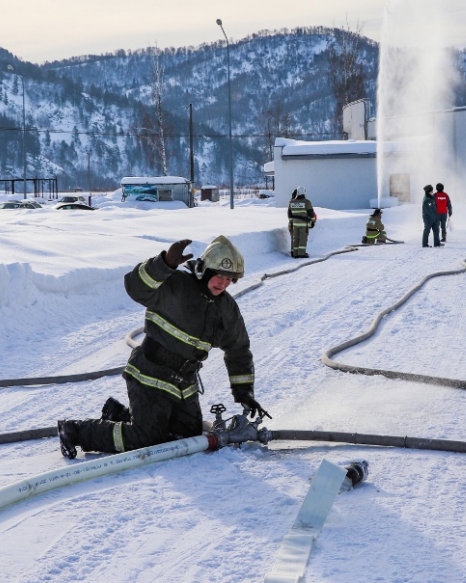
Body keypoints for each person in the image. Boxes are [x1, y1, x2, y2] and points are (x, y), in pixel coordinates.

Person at [57, 236, 269, 459]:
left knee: (188, 436)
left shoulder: (227, 309)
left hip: (183, 382)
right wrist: (164, 264)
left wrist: (244, 393)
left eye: (229, 279)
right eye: (219, 275)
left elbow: (239, 350)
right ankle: (76, 430)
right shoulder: (175, 284)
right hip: (150, 372)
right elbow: (135, 286)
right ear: (204, 270)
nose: (223, 283)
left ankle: (119, 414)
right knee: (147, 438)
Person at [288, 186, 317, 258]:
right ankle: (301, 253)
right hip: (304, 223)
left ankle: (295, 253)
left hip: (295, 223)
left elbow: (289, 214)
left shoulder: (291, 202)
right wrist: (313, 221)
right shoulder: (307, 202)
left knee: (295, 238)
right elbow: (311, 213)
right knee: (302, 238)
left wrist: (291, 222)